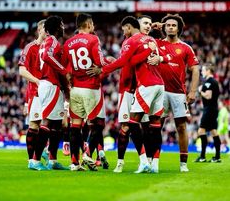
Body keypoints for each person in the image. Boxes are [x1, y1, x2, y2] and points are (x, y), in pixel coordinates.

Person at [88, 15, 167, 173]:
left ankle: (145, 161)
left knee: (133, 123)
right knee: (152, 125)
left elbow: (125, 61)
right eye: (146, 23)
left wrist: (103, 68)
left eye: (124, 28)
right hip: (156, 85)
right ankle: (150, 164)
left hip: (143, 86)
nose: (148, 26)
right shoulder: (151, 41)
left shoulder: (132, 41)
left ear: (130, 27)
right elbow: (132, 61)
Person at [62, 13, 110, 171]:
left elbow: (66, 68)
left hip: (75, 89)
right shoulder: (93, 39)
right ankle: (88, 155)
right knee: (97, 123)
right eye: (93, 24)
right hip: (91, 88)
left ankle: (74, 163)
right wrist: (105, 65)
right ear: (89, 25)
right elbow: (100, 61)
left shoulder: (68, 43)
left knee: (75, 125)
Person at [153, 13, 200, 172]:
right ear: (164, 27)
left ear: (178, 28)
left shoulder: (186, 48)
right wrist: (154, 25)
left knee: (181, 127)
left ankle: (183, 164)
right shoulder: (157, 43)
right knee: (156, 126)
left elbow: (195, 69)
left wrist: (193, 91)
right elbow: (141, 36)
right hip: (160, 91)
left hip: (179, 93)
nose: (171, 27)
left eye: (174, 25)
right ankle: (154, 161)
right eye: (168, 25)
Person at [32, 15, 71, 170]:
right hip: (50, 85)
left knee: (56, 124)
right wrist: (64, 70)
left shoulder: (45, 43)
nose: (63, 28)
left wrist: (65, 89)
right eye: (62, 25)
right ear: (56, 27)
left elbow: (39, 63)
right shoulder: (52, 41)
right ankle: (35, 160)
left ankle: (53, 160)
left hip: (50, 84)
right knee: (47, 122)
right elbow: (47, 57)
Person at [18, 19, 47, 169]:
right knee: (35, 125)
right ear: (38, 30)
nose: (46, 31)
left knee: (53, 124)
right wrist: (37, 81)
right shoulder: (30, 48)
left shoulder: (52, 48)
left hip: (51, 93)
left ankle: (48, 155)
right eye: (44, 28)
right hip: (36, 93)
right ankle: (32, 161)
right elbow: (22, 70)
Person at [195, 63, 221, 163]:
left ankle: (202, 156)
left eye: (203, 70)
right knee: (214, 131)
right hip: (213, 109)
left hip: (209, 109)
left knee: (201, 131)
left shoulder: (208, 82)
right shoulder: (215, 82)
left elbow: (208, 96)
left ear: (208, 71)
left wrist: (200, 90)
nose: (202, 72)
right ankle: (217, 157)